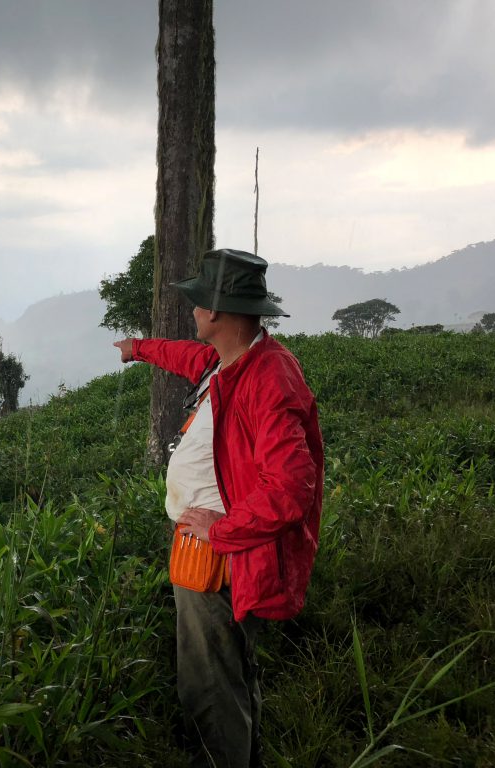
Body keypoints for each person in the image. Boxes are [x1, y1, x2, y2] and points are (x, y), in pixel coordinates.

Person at [113, 249, 323, 768]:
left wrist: (224, 530)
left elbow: (293, 488)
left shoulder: (268, 380)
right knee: (228, 670)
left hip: (223, 557)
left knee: (210, 682)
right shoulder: (227, 362)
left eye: (198, 303)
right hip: (209, 548)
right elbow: (186, 357)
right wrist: (138, 348)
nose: (192, 312)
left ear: (217, 313)